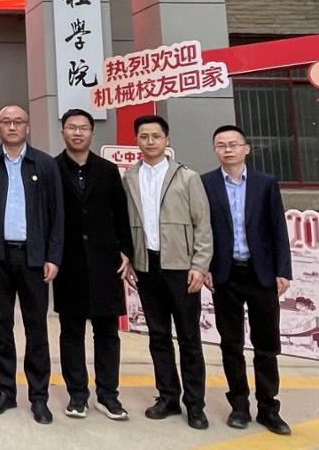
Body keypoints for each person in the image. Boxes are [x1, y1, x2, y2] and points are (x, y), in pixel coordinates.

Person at [0, 104, 63, 425]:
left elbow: (57, 214)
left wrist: (53, 256)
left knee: (37, 329)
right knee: (0, 327)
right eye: (6, 122)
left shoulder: (45, 164)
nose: (12, 126)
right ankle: (5, 391)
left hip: (34, 258)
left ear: (28, 127)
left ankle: (39, 396)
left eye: (18, 122)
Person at [201, 125, 292, 436]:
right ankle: (239, 406)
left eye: (233, 144)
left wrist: (283, 270)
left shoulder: (266, 183)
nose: (228, 149)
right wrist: (205, 266)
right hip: (225, 274)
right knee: (231, 344)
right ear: (215, 150)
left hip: (261, 273)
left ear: (246, 148)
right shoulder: (206, 183)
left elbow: (278, 228)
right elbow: (203, 229)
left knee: (266, 345)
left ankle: (268, 408)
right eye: (221, 145)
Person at [123, 115, 212, 430]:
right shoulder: (129, 178)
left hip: (181, 268)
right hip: (147, 267)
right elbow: (125, 224)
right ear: (137, 140)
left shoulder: (187, 177)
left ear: (167, 140)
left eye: (156, 136)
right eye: (144, 136)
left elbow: (203, 225)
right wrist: (129, 259)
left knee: (189, 338)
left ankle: (195, 404)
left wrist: (200, 265)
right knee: (158, 336)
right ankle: (168, 397)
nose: (150, 141)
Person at [52, 109, 133, 421]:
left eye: (83, 128)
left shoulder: (108, 170)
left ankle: (108, 395)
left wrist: (125, 250)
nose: (77, 133)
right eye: (72, 127)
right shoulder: (52, 168)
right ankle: (77, 394)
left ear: (91, 132)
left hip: (105, 261)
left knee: (107, 332)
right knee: (71, 331)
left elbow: (121, 213)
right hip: (68, 263)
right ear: (63, 132)